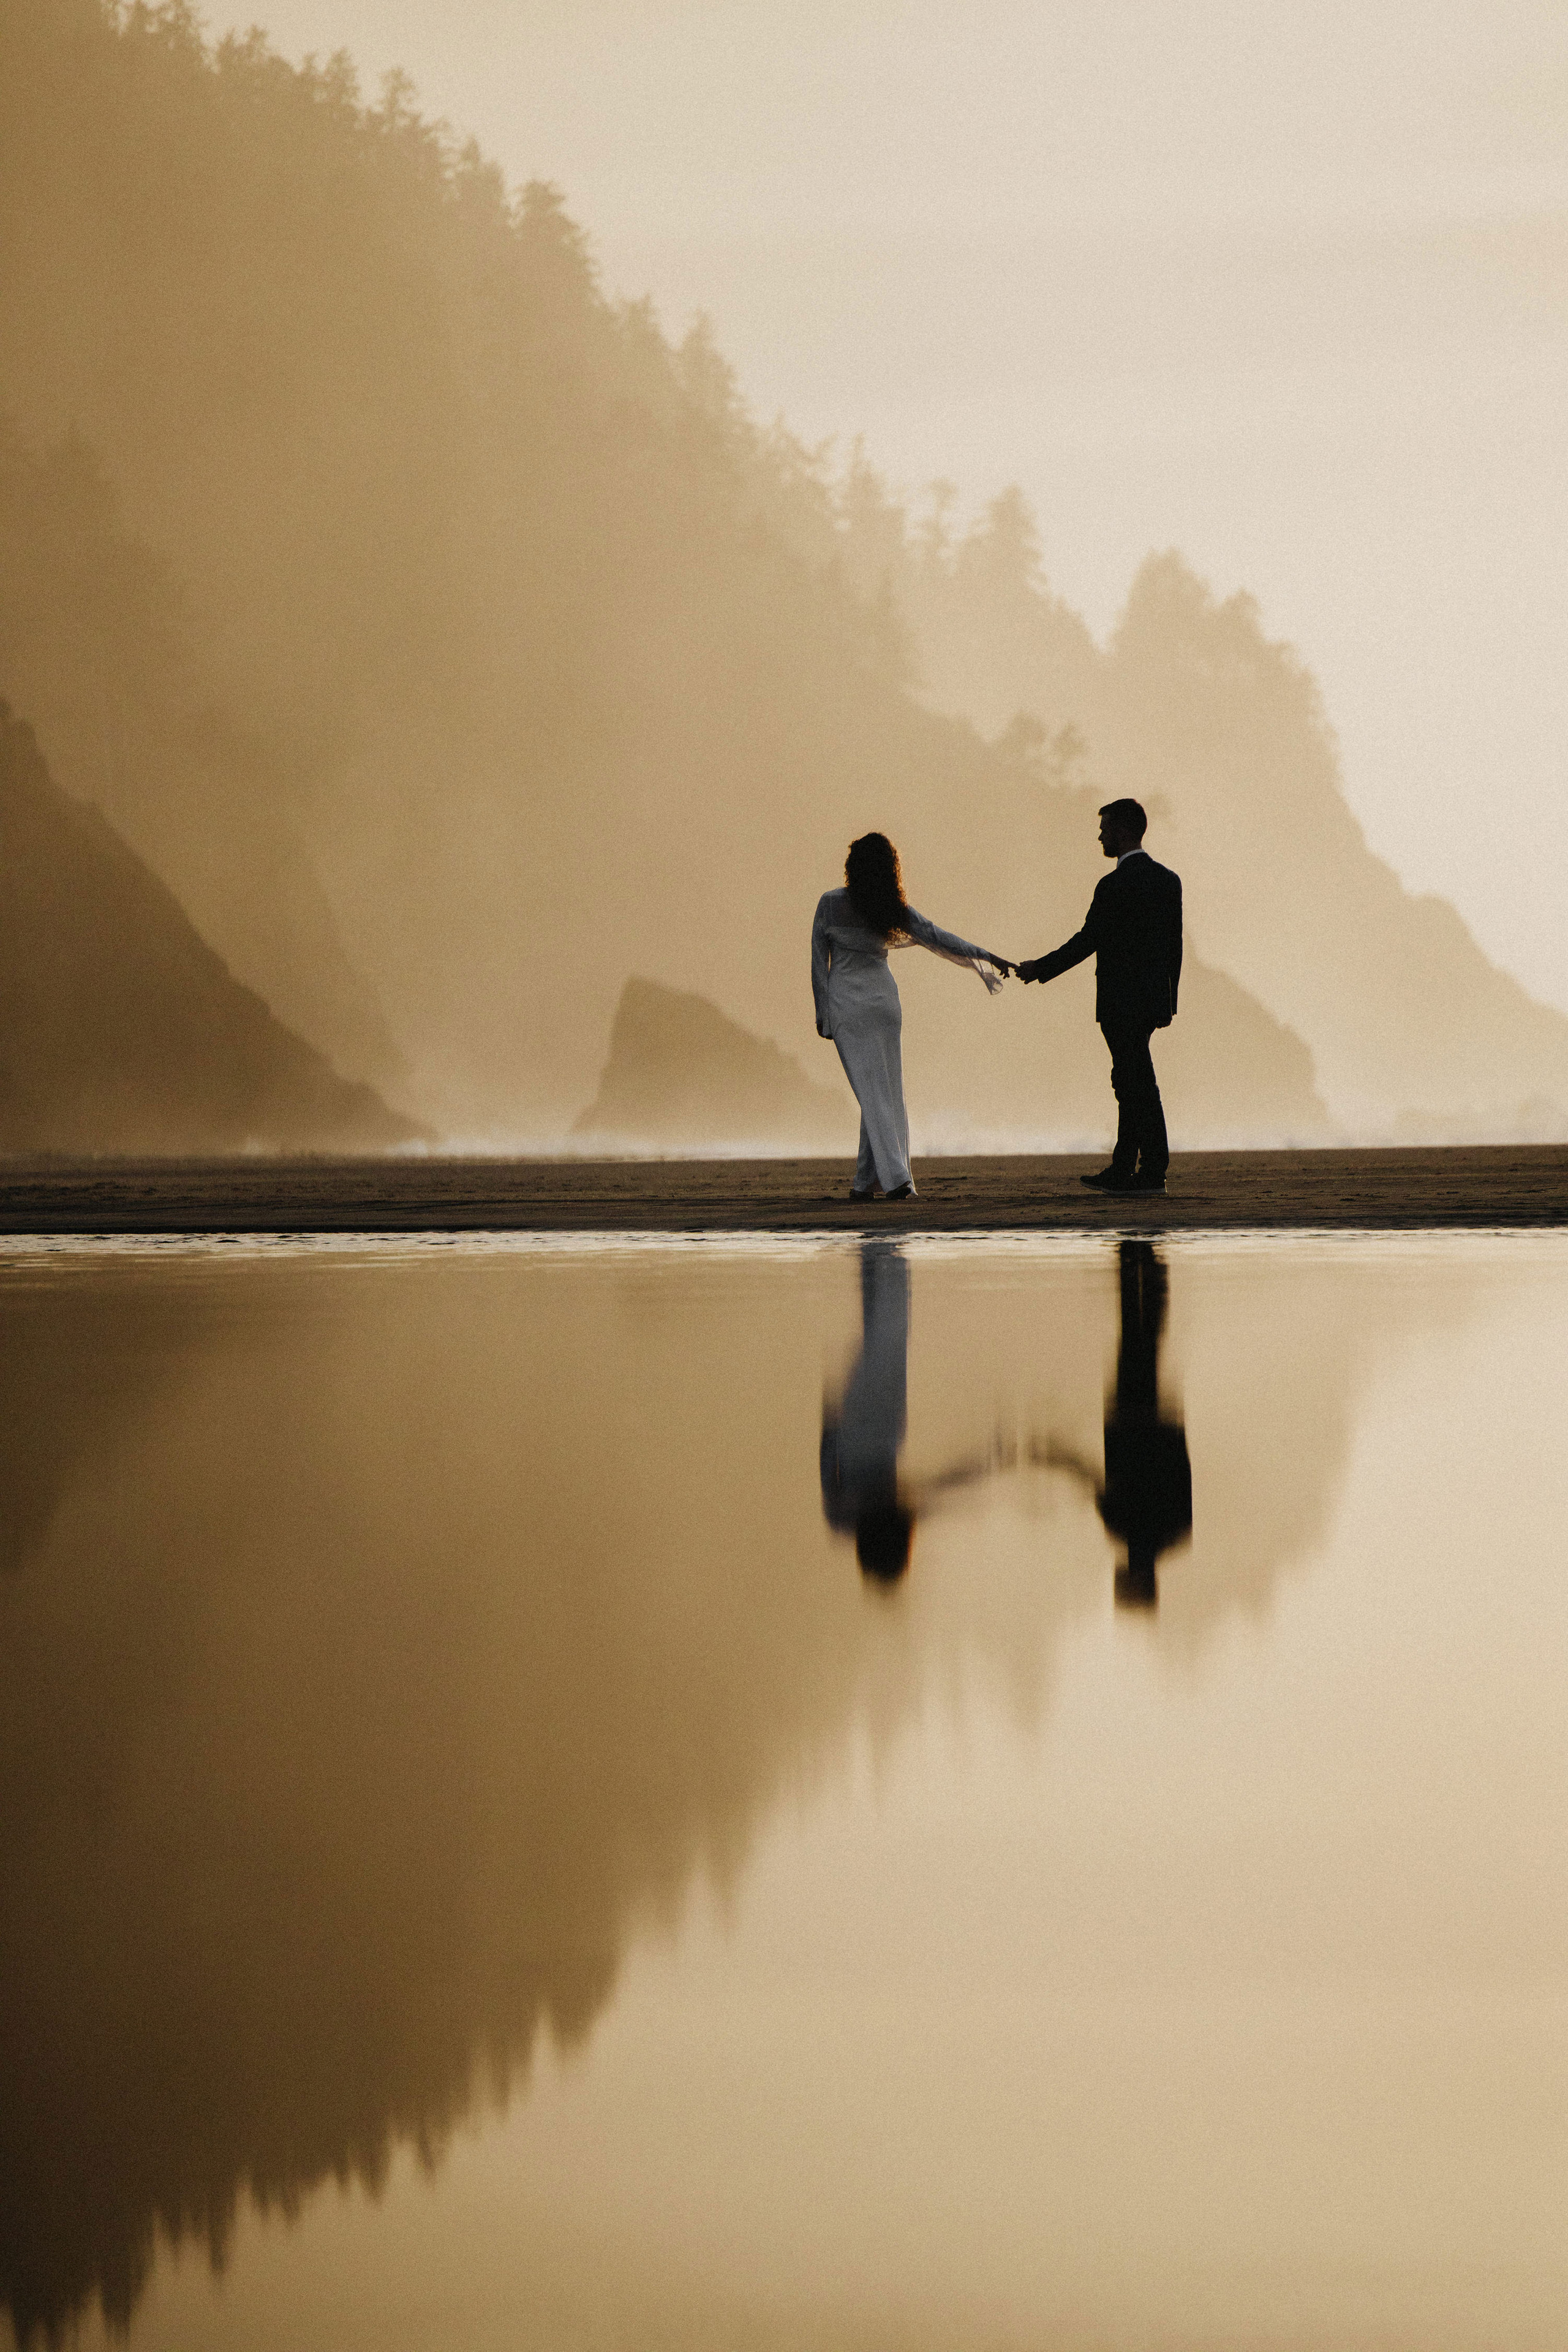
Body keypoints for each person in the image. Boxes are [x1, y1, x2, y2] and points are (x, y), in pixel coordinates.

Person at [812, 832, 1008, 1202]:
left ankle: (897, 1180)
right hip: (884, 1004)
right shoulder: (891, 908)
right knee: (882, 1089)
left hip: (848, 1005)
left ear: (852, 867)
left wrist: (822, 1011)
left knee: (874, 1091)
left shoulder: (831, 903)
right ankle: (864, 1182)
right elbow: (938, 936)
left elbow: (818, 960)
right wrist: (987, 957)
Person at [1016, 797, 1182, 1196]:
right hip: (1151, 1000)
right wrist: (1168, 1001)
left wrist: (1041, 968)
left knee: (1137, 1081)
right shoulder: (1167, 880)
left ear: (1123, 831)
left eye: (1105, 829)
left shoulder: (1112, 885)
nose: (1101, 836)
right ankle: (1125, 1167)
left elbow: (1089, 940)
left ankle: (1152, 1170)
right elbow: (1172, 948)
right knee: (1131, 1078)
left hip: (1118, 1001)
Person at [1038, 1240, 1192, 1610]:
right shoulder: (1125, 1530)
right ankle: (1138, 1262)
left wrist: (1175, 1427)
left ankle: (1147, 1265)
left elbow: (1180, 1472)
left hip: (1149, 1422)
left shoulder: (1174, 1533)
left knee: (1146, 1339)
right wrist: (1055, 1454)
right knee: (1136, 1338)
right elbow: (1096, 1479)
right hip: (1129, 1422)